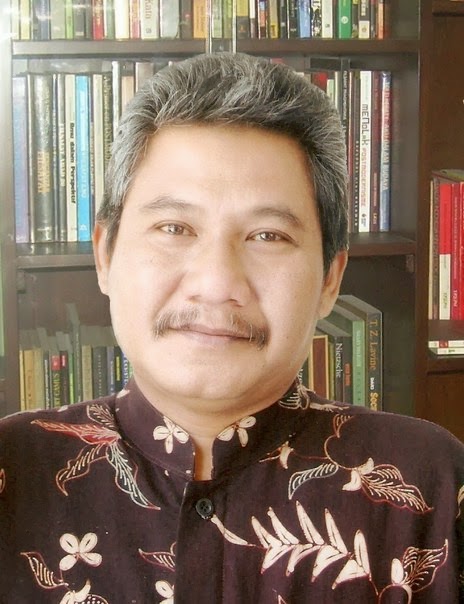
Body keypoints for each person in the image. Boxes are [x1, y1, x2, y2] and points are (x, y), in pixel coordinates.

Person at [0, 52, 463, 603]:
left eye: (268, 236)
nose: (217, 283)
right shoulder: (13, 474)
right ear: (105, 255)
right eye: (174, 227)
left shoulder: (432, 486)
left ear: (330, 279)